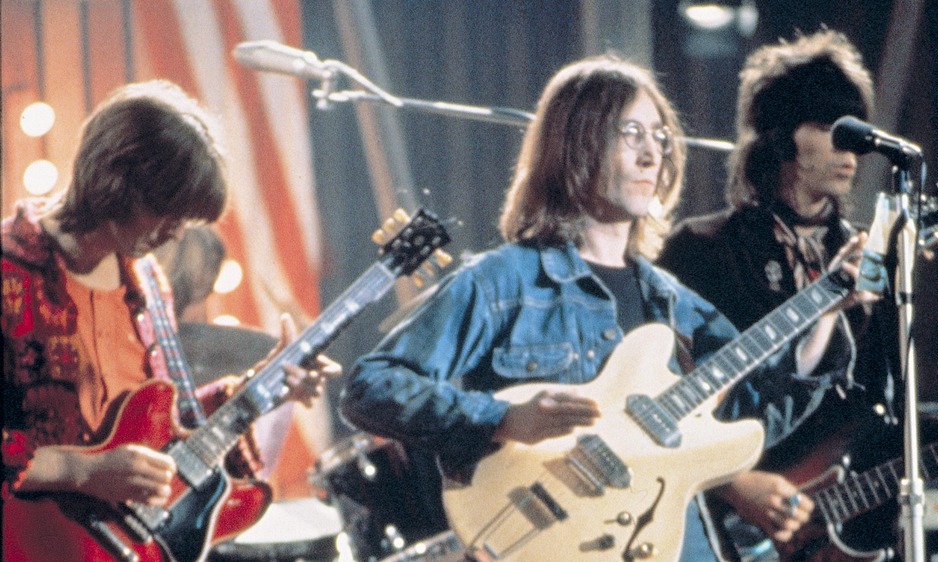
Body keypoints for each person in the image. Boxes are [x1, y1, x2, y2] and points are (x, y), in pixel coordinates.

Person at [340, 54, 875, 562]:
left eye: (660, 137)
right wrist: (503, 418)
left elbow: (753, 413)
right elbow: (371, 386)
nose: (652, 153)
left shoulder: (674, 303)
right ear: (577, 144)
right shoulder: (504, 282)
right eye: (631, 133)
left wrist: (826, 309)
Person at [658, 29, 938, 560]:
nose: (851, 150)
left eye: (855, 131)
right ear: (779, 137)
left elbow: (883, 419)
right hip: (722, 520)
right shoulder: (702, 250)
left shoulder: (872, 257)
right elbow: (665, 401)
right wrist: (732, 484)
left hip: (842, 538)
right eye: (827, 127)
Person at [1, 80, 338, 560]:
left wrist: (263, 388)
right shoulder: (8, 271)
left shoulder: (147, 282)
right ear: (115, 179)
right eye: (169, 210)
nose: (178, 231)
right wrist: (83, 471)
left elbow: (155, 426)